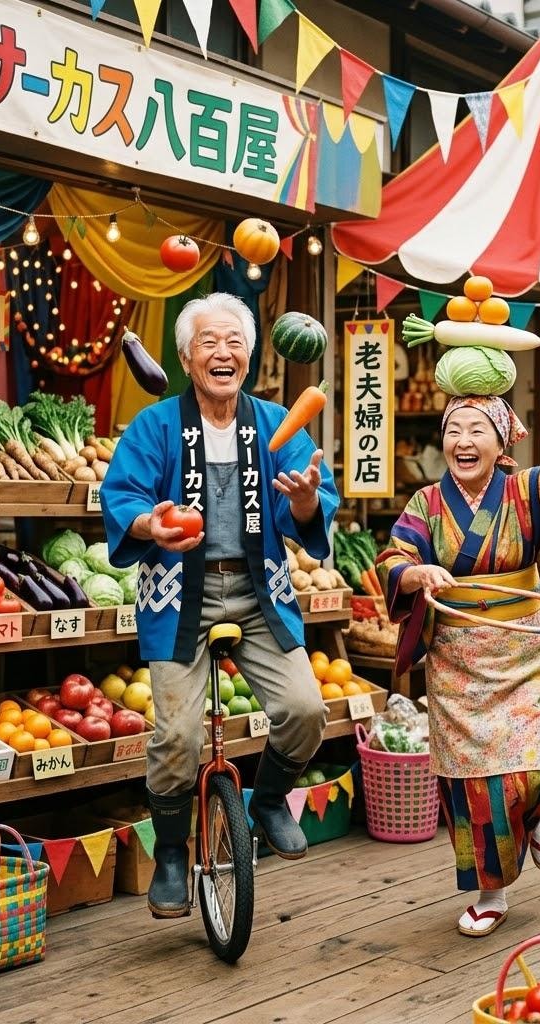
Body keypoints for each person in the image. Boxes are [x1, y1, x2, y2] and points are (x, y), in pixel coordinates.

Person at [100, 293, 339, 919]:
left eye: (233, 340)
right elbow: (121, 492)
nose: (222, 352)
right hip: (181, 594)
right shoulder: (155, 425)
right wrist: (150, 525)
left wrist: (310, 500)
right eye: (208, 341)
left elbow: (308, 503)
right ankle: (173, 852)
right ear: (185, 356)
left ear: (251, 353)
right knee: (177, 732)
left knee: (307, 709)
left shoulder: (277, 422)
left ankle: (266, 801)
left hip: (261, 589)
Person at [376, 347, 540, 938]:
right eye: (453, 427)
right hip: (457, 658)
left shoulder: (530, 490)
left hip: (523, 649)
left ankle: (537, 808)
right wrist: (415, 573)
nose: (462, 438)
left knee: (531, 770)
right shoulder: (425, 504)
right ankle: (491, 892)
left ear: (502, 438)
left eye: (477, 427)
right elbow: (394, 555)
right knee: (476, 787)